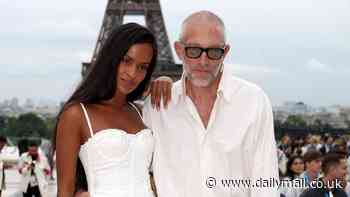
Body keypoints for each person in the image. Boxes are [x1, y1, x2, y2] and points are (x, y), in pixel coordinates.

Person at [143, 10, 279, 197]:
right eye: (193, 51)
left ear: (225, 52)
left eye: (214, 51)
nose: (203, 61)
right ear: (178, 50)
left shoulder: (254, 101)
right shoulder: (156, 106)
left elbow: (265, 182)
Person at [55, 23, 160, 197]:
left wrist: (166, 82)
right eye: (126, 61)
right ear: (111, 58)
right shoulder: (76, 115)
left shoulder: (141, 112)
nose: (133, 73)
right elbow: (64, 191)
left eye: (142, 67)